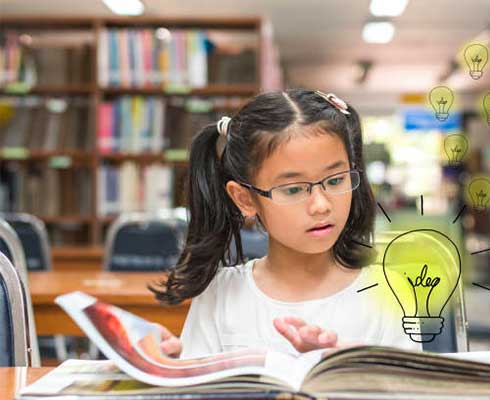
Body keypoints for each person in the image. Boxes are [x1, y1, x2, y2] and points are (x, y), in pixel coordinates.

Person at [151, 89, 422, 358]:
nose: (321, 205)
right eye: (293, 189)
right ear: (245, 199)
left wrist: (351, 370)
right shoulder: (220, 294)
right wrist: (167, 371)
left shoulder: (391, 294)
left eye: (336, 180)